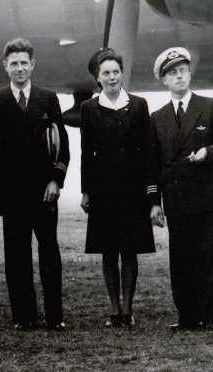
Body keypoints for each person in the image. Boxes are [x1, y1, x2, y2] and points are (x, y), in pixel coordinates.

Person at [147, 47, 213, 335]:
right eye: (172, 73)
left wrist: (209, 152)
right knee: (181, 259)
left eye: (182, 70)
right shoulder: (156, 117)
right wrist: (155, 202)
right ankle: (187, 317)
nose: (179, 76)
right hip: (175, 198)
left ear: (190, 73)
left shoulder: (212, 106)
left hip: (206, 196)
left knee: (209, 257)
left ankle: (211, 319)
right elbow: (153, 164)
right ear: (164, 80)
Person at [0, 38, 69, 331]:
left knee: (49, 253)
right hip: (12, 193)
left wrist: (56, 181)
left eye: (24, 63)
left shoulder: (49, 98)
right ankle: (24, 316)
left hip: (44, 192)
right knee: (16, 255)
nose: (19, 68)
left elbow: (63, 146)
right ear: (5, 67)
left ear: (33, 65)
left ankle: (55, 316)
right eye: (13, 63)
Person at [79, 48, 160, 328]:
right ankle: (114, 310)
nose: (112, 77)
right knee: (108, 251)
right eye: (106, 73)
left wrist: (151, 195)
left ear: (122, 74)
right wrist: (86, 190)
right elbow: (86, 152)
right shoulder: (88, 108)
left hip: (133, 191)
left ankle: (128, 310)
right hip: (103, 192)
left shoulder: (139, 105)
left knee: (130, 251)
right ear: (97, 78)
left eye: (115, 72)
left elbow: (148, 152)